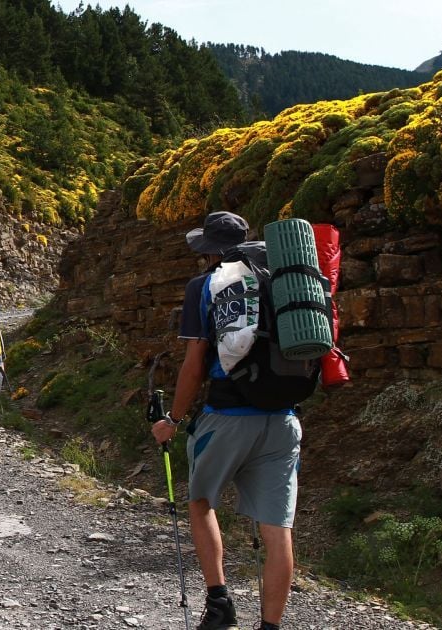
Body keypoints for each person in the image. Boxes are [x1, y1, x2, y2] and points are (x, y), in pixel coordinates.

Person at [151, 211, 301, 630]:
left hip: (227, 416)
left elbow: (195, 365)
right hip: (284, 419)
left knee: (201, 503)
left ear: (210, 251)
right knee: (277, 529)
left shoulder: (206, 286)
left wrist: (173, 419)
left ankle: (219, 605)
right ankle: (270, 625)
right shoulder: (281, 283)